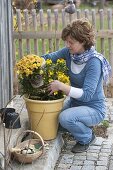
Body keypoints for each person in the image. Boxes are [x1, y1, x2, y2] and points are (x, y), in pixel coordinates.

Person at [42, 18, 111, 153]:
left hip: (94, 108)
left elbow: (86, 95)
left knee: (65, 118)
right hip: (75, 104)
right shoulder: (70, 53)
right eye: (66, 41)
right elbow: (49, 57)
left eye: (71, 42)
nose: (67, 45)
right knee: (53, 120)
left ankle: (87, 137)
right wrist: (33, 62)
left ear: (83, 41)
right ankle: (78, 126)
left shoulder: (94, 62)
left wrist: (61, 86)